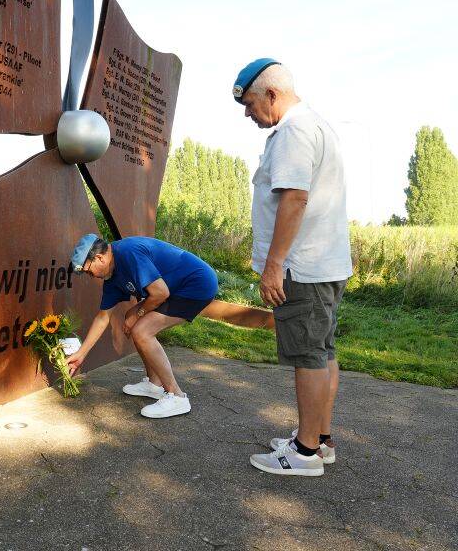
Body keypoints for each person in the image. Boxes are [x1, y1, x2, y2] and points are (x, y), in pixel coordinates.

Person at [233, 58, 352, 476]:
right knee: (321, 351)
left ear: (271, 94)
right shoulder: (317, 125)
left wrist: (273, 267)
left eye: (249, 104)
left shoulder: (293, 132)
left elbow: (294, 199)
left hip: (302, 268)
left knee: (307, 356)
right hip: (326, 264)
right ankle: (320, 440)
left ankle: (303, 454)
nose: (248, 114)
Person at [66, 234, 218, 418]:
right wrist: (81, 354)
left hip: (196, 285)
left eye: (89, 271)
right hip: (172, 289)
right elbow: (103, 317)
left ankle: (177, 396)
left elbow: (160, 293)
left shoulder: (128, 253)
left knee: (141, 330)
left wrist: (138, 313)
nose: (91, 276)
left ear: (99, 258)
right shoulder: (111, 276)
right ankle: (154, 384)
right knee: (136, 322)